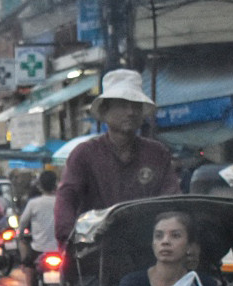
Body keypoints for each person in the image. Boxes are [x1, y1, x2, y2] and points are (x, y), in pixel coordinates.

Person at [54, 69, 181, 245]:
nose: (130, 112)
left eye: (135, 105)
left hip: (147, 250)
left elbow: (172, 201)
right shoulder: (84, 154)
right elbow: (67, 199)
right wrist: (70, 240)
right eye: (122, 105)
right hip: (96, 250)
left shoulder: (157, 154)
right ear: (105, 111)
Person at [18, 170, 59, 286]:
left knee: (29, 263)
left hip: (39, 248)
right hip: (59, 249)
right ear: (55, 185)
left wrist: (21, 233)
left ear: (40, 185)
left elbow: (23, 222)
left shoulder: (34, 203)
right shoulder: (61, 202)